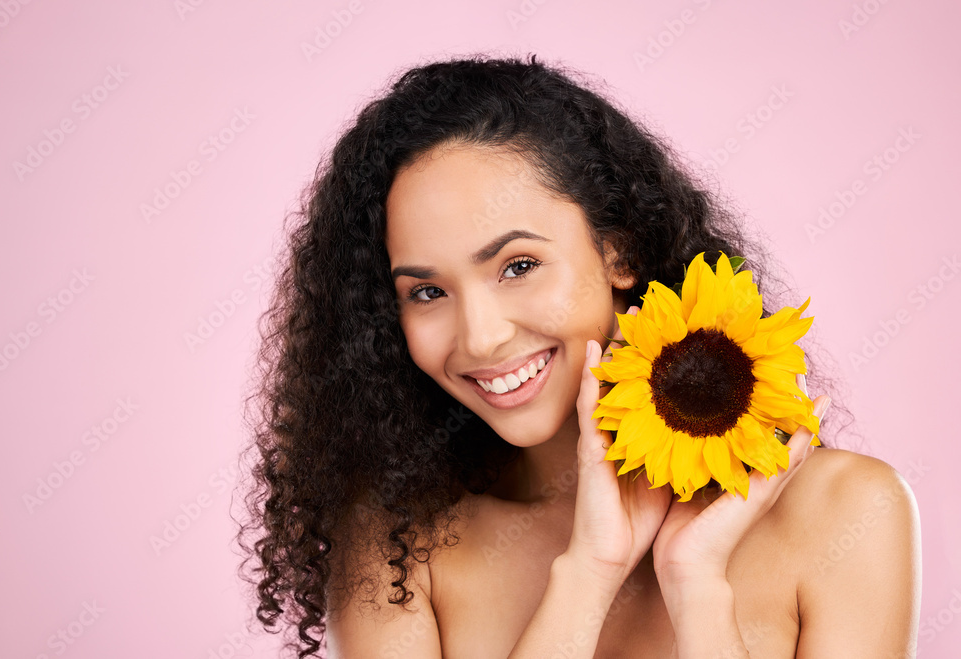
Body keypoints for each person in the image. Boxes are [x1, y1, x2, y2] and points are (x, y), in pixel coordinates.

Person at [237, 54, 921, 658]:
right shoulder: (396, 547)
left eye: (518, 264)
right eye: (427, 290)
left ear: (617, 248)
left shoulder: (847, 512)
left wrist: (699, 587)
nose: (480, 336)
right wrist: (588, 573)